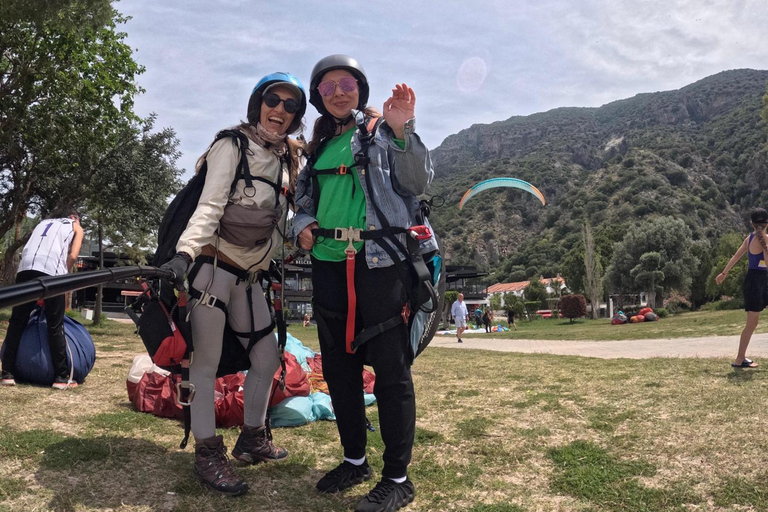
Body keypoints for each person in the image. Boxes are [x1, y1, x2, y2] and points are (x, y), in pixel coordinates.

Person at [290, 54, 437, 512]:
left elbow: (417, 181)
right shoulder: (316, 148)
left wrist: (401, 130)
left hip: (381, 264)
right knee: (338, 370)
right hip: (330, 264)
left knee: (391, 374)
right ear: (318, 97)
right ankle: (355, 460)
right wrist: (302, 225)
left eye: (346, 82)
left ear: (360, 88)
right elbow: (301, 198)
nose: (337, 91)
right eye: (327, 86)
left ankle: (398, 478)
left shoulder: (380, 132)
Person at [160, 72, 306, 496]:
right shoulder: (231, 145)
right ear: (257, 103)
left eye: (290, 105)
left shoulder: (287, 159)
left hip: (250, 277)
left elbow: (280, 223)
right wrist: (184, 255)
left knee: (266, 358)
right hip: (212, 269)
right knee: (204, 363)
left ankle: (252, 437)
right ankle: (207, 453)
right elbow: (209, 206)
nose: (279, 110)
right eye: (272, 100)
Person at [1, 211, 84, 389]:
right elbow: (73, 256)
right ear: (74, 217)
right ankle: (62, 377)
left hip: (25, 268)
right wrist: (64, 278)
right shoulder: (75, 226)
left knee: (17, 321)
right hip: (51, 270)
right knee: (55, 324)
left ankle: (7, 373)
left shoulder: (43, 223)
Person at [715, 207, 768, 369]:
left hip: (753, 280)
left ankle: (740, 358)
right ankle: (739, 359)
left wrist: (724, 272)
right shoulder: (764, 239)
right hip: (759, 282)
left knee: (751, 323)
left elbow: (736, 256)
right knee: (751, 324)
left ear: (751, 223)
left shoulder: (750, 238)